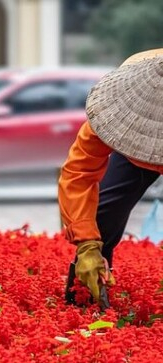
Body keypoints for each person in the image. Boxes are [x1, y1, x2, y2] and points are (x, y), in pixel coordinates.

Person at [59, 49, 163, 307]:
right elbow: (78, 174)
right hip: (132, 153)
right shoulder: (114, 112)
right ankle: (87, 294)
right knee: (103, 212)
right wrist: (86, 243)